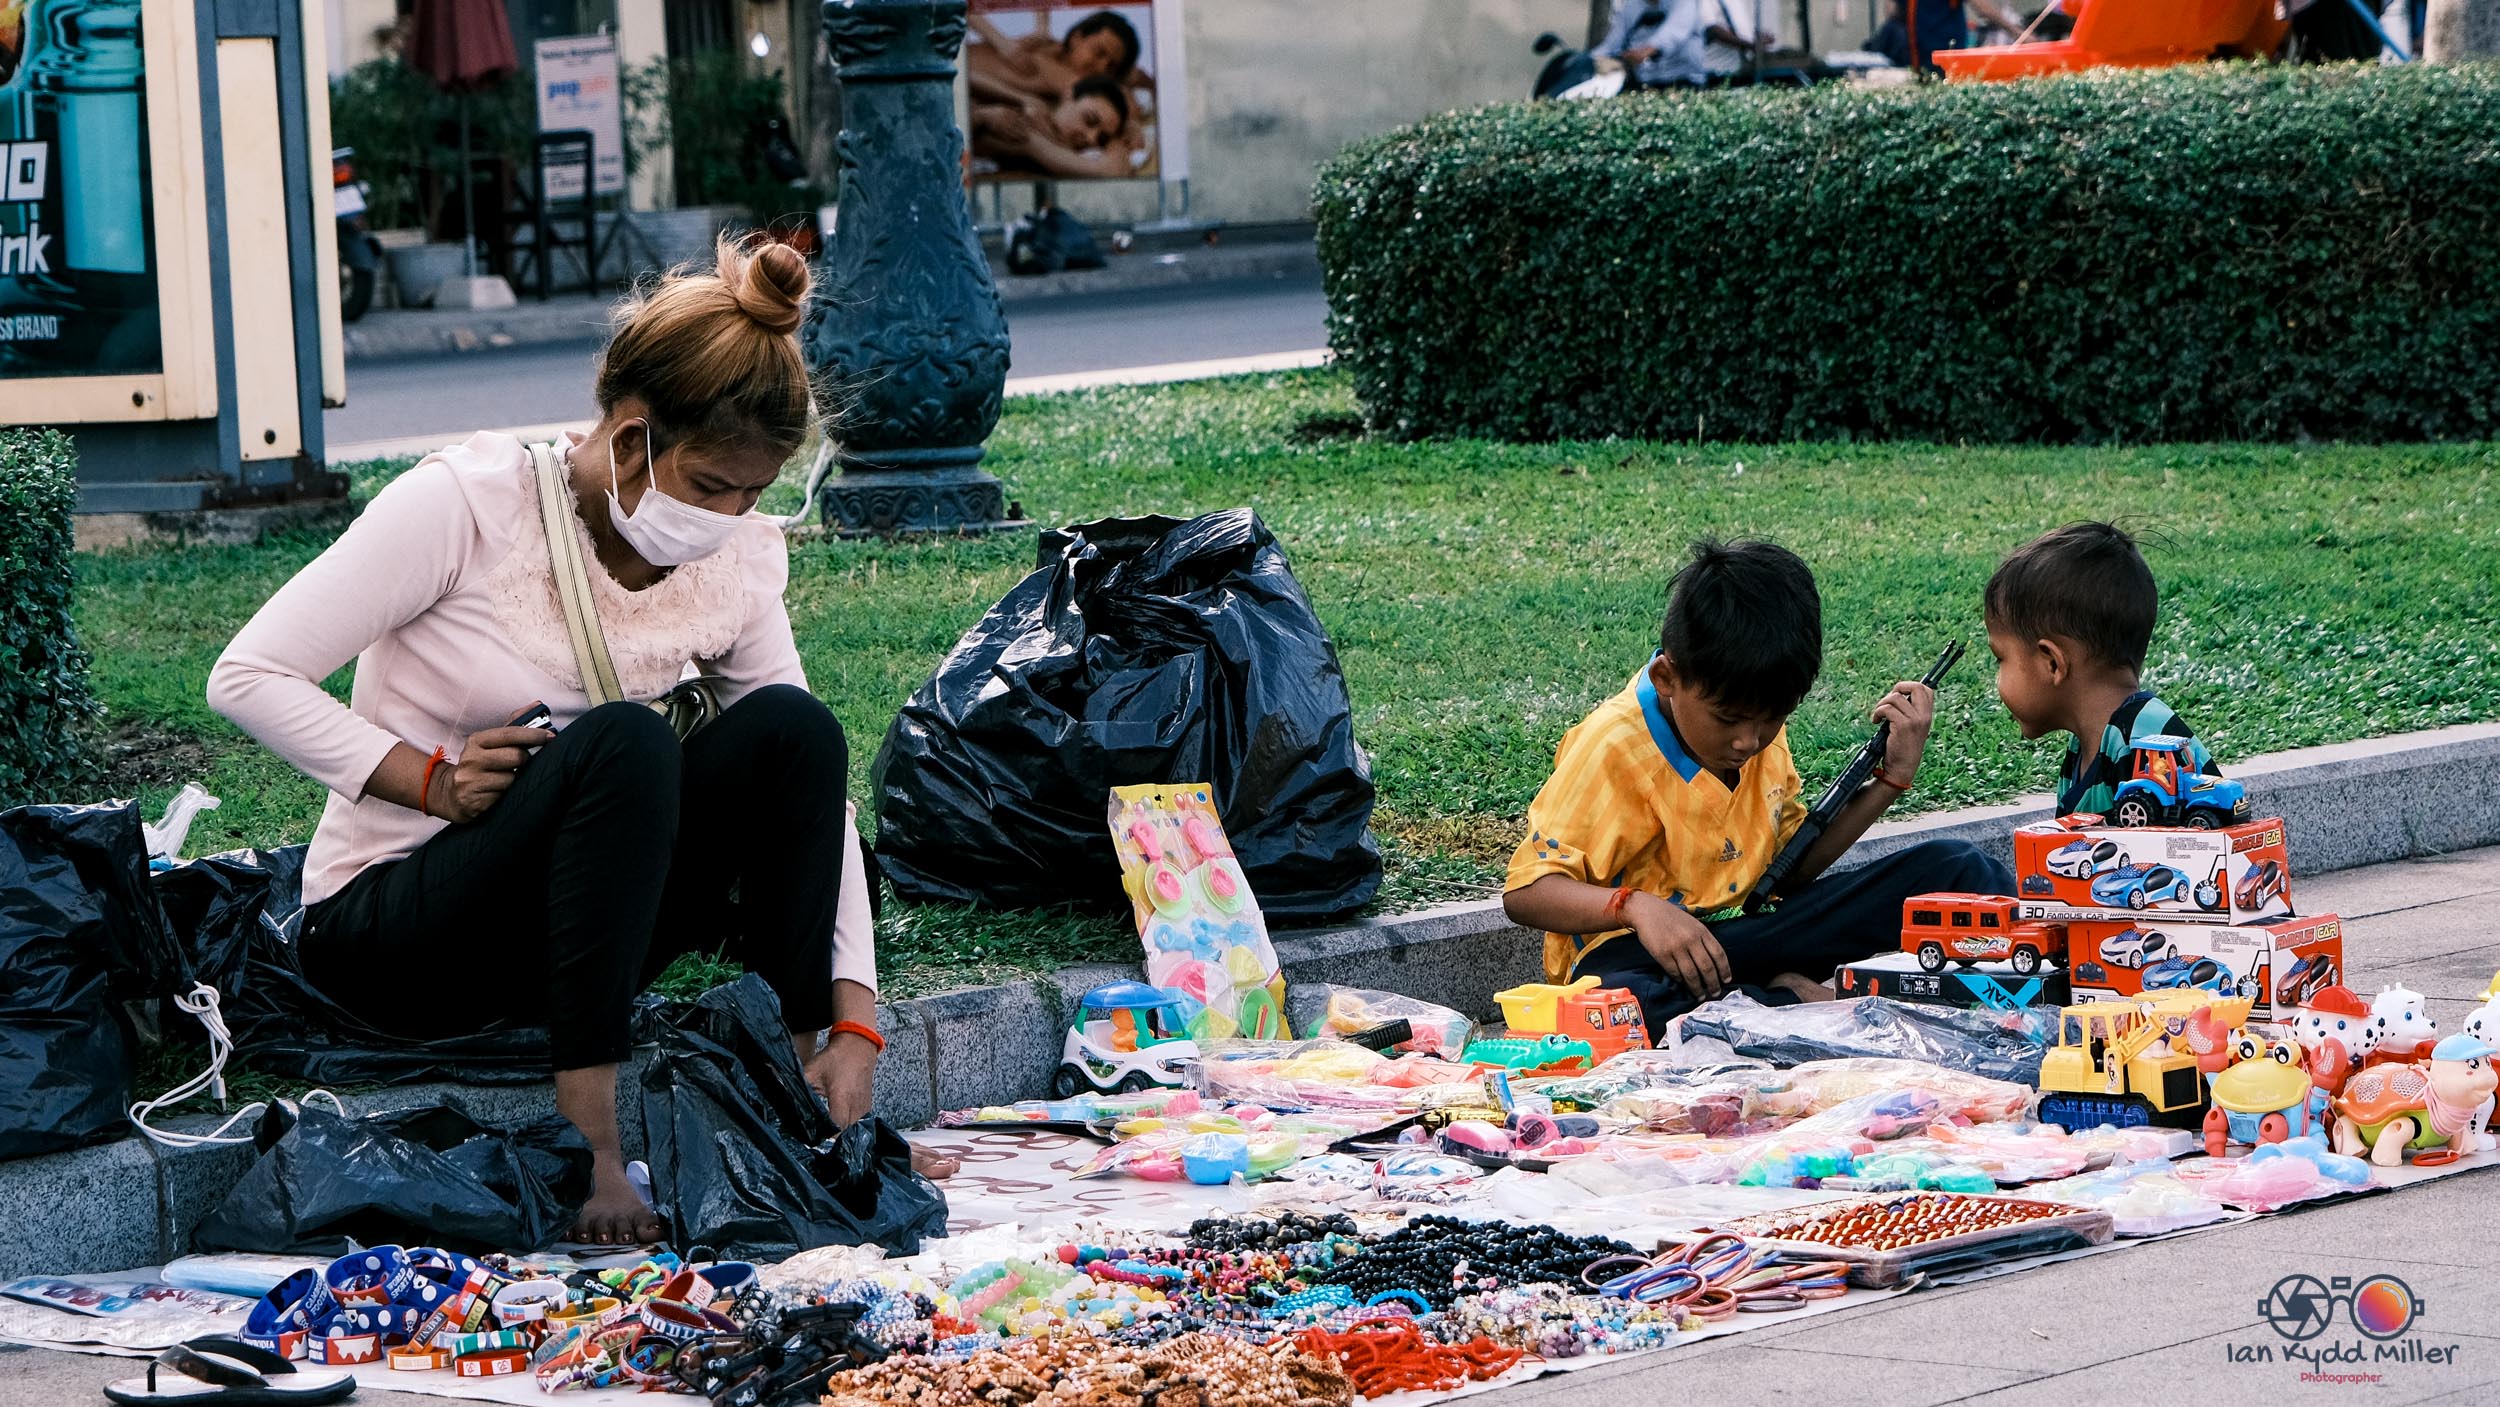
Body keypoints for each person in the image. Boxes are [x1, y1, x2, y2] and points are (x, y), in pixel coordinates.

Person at [207, 238, 953, 1246]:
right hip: (398, 935)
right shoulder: (467, 505)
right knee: (626, 745)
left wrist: (856, 1015)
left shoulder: (734, 557)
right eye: (711, 486)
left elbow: (814, 795)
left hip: (573, 936)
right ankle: (592, 1141)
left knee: (795, 731)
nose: (729, 517)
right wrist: (429, 781)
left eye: (753, 492)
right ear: (633, 439)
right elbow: (248, 675)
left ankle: (796, 1090)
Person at [1502, 540, 2011, 1034]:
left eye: (1773, 718)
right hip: (1641, 958)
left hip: (1751, 936)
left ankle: (1769, 1002)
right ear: (1666, 678)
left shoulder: (1753, 719)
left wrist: (1890, 780)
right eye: (1728, 719)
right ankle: (1795, 1000)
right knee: (1623, 1004)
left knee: (1959, 869)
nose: (1748, 741)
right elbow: (1526, 894)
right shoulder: (1613, 745)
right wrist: (1635, 908)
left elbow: (1789, 873)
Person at [1983, 521, 2218, 820]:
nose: (1998, 678)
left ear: (2052, 663)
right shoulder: (2086, 748)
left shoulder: (2141, 741)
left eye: (2000, 658)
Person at [970, 75, 1135, 179]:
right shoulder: (1026, 123)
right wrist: (983, 115)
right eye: (1089, 120)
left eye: (1102, 138)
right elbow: (1106, 171)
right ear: (1069, 96)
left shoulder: (1048, 140)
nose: (1091, 139)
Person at [1595, 0, 1709, 90]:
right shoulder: (1630, 6)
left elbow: (1673, 32)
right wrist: (1593, 59)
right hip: (1646, 82)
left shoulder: (1684, 2)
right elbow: (1612, 43)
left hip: (1684, 80)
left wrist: (1644, 52)